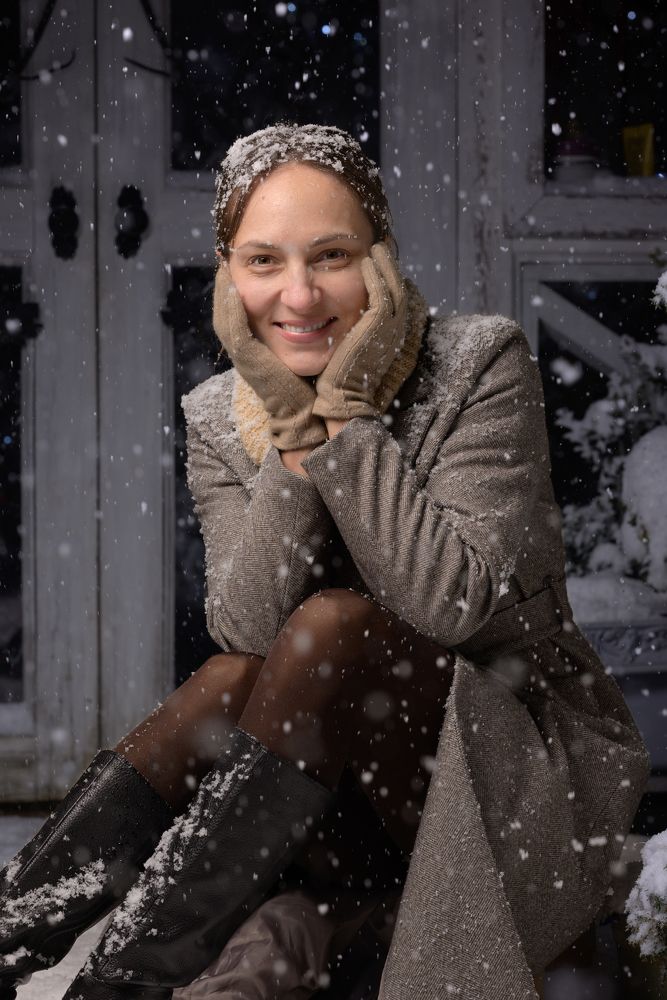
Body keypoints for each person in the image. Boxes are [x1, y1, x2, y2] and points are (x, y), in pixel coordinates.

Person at [0, 123, 651, 1000]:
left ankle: (115, 987)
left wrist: (343, 417)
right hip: (330, 803)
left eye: (331, 256)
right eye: (263, 261)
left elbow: (453, 606)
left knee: (331, 627)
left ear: (379, 261)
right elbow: (246, 627)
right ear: (229, 275)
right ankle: (23, 944)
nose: (299, 294)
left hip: (503, 777)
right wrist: (288, 432)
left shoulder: (478, 365)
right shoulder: (219, 413)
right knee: (234, 676)